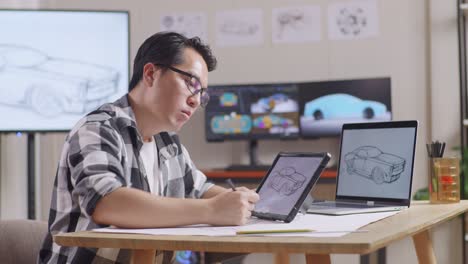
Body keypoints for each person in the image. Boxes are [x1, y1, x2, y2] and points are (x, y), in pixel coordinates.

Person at [38, 31, 259, 264]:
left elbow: (199, 188)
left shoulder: (168, 142)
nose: (195, 101)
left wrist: (248, 203)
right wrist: (212, 210)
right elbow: (107, 203)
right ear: (151, 73)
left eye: (202, 94)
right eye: (190, 83)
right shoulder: (97, 129)